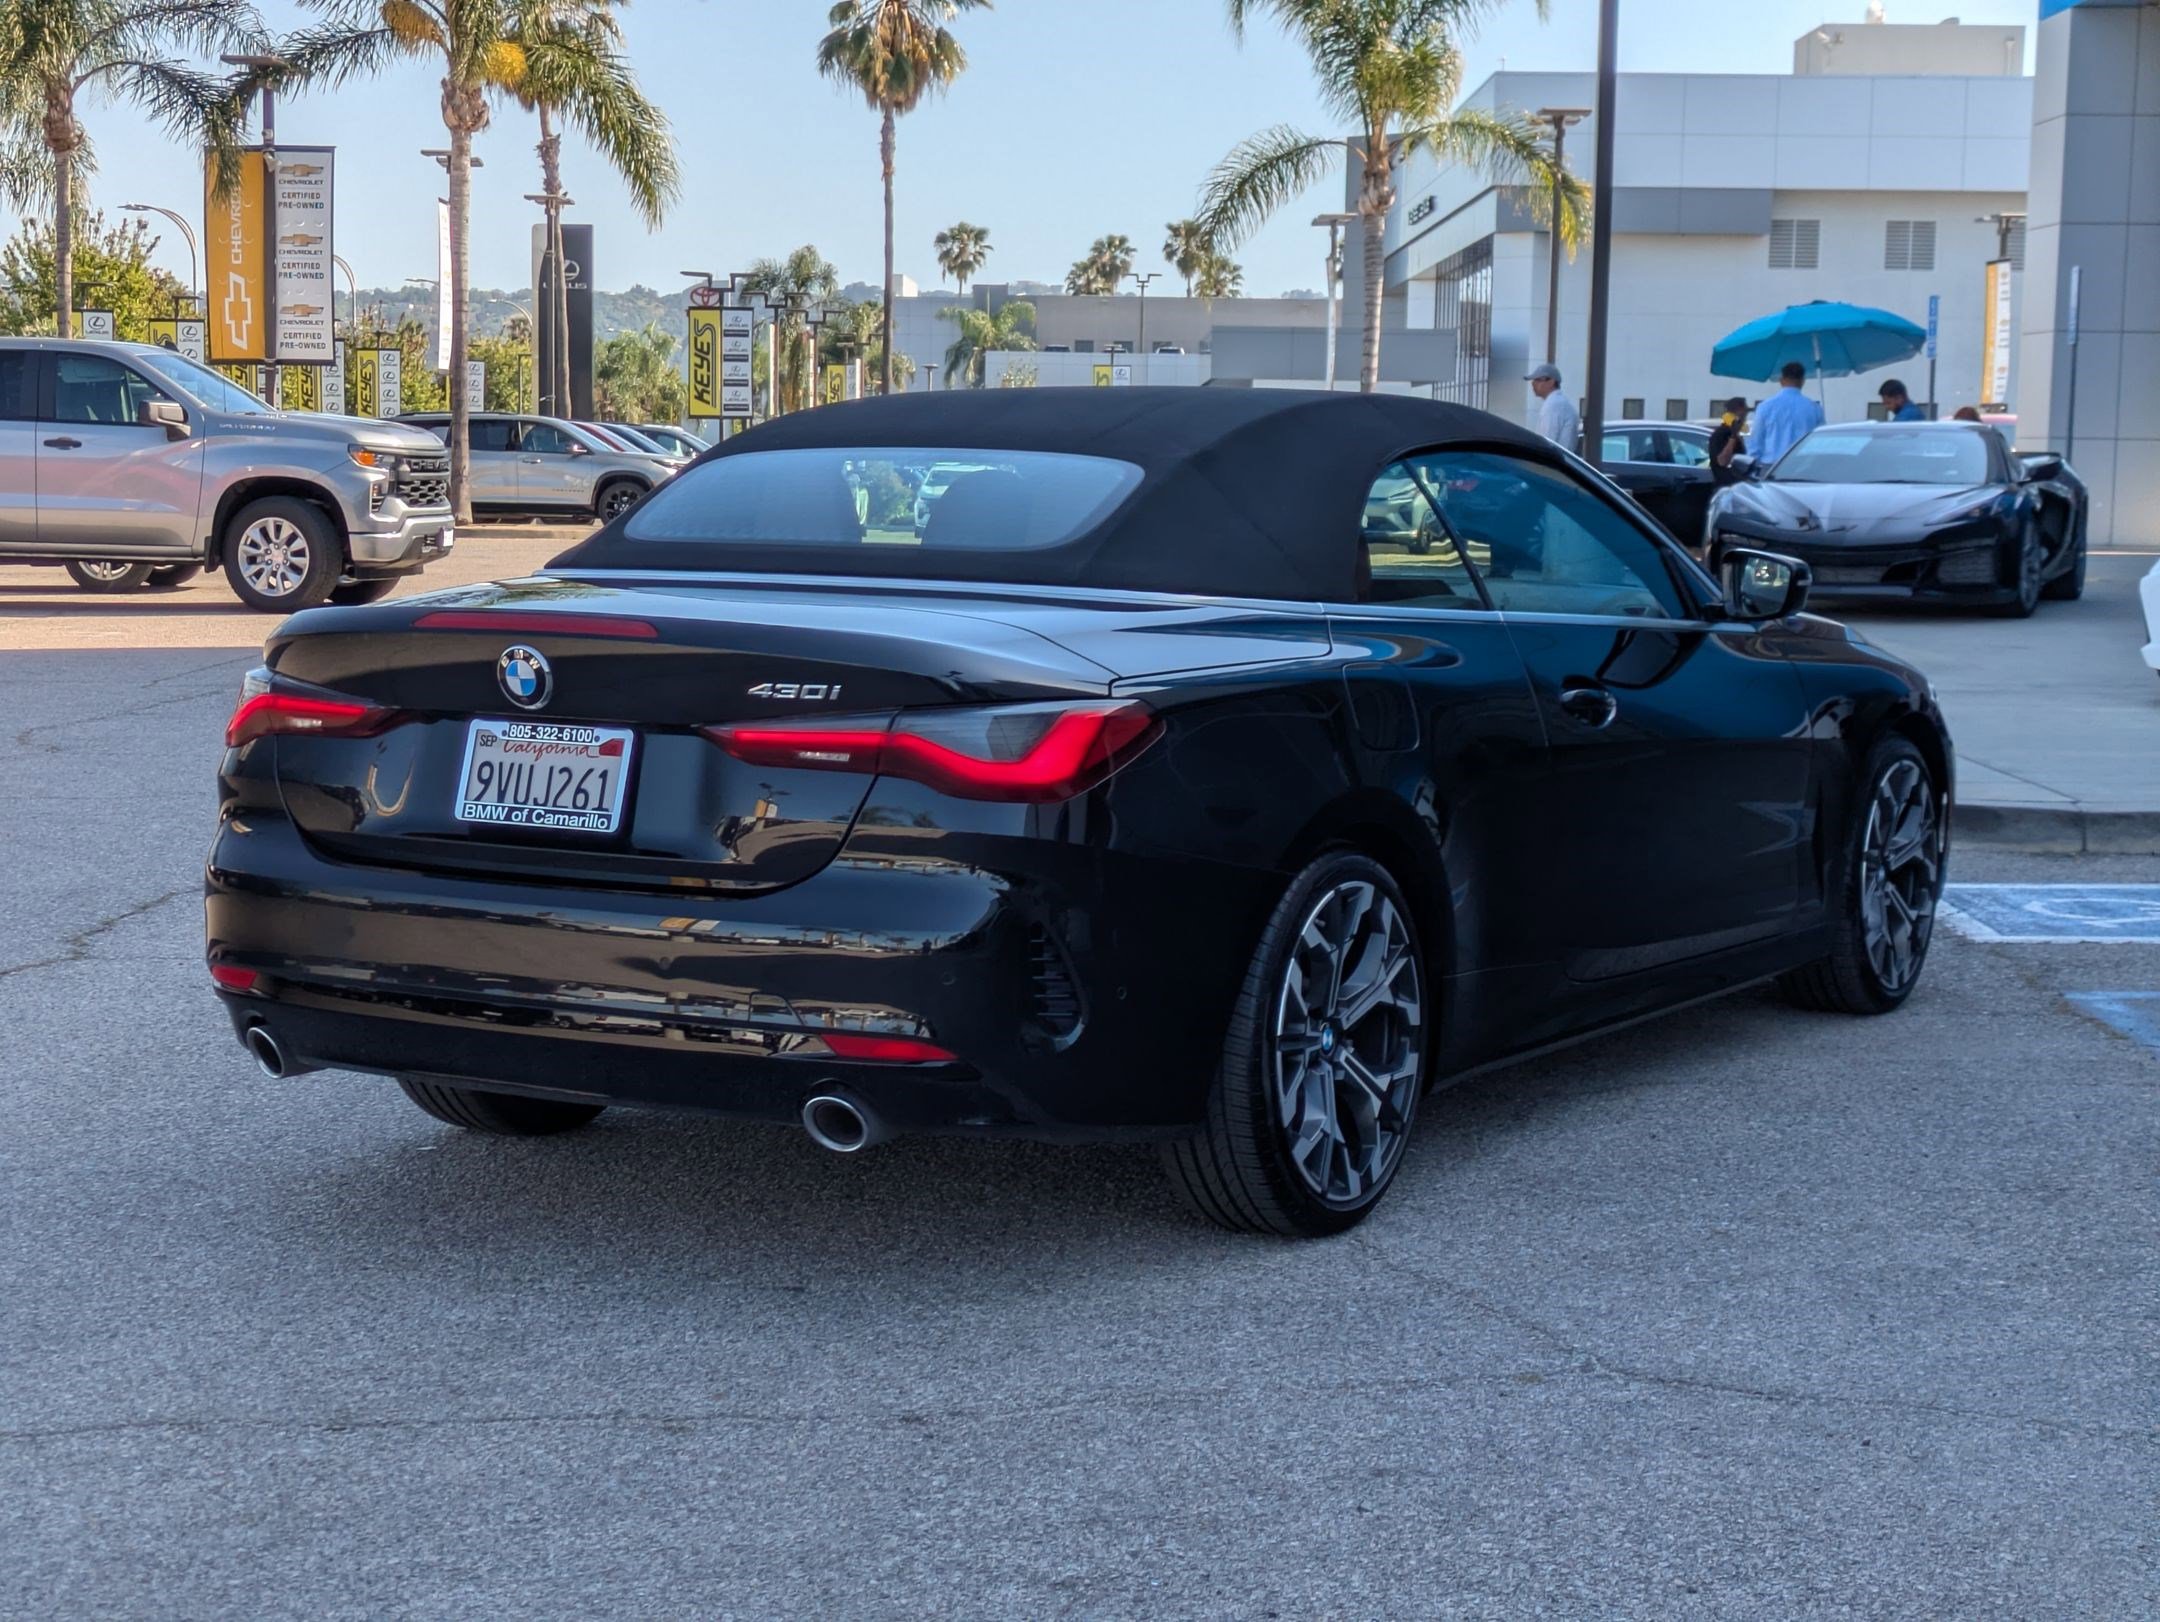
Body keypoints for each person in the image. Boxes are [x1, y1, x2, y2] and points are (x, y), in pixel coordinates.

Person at [1749, 360, 1823, 465]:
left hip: (1772, 467)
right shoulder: (1814, 408)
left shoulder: (1765, 406)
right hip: (1805, 466)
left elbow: (1756, 442)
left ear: (1781, 380)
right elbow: (1821, 442)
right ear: (1802, 381)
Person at [1524, 362, 1580, 449]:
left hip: (1553, 460)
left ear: (1551, 382)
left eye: (1538, 380)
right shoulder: (1559, 402)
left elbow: (1546, 442)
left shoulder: (1554, 405)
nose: (1533, 384)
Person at [1708, 395, 1750, 485]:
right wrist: (1733, 437)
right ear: (1739, 411)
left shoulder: (1741, 433)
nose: (1746, 415)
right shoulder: (1721, 434)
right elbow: (1722, 461)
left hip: (1739, 485)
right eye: (1745, 411)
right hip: (1727, 486)